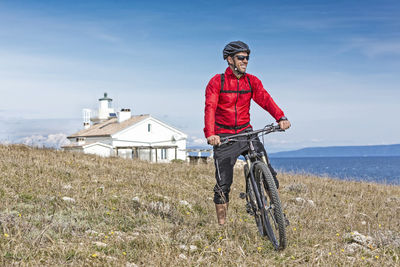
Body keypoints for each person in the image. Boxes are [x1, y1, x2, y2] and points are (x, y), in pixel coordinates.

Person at [203, 41, 291, 225]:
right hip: (224, 136)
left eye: (247, 58)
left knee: (270, 176)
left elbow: (266, 100)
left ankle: (277, 213)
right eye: (241, 58)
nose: (245, 61)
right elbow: (210, 108)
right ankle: (222, 226)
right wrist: (211, 134)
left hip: (246, 132)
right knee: (223, 185)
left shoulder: (252, 81)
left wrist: (280, 117)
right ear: (229, 60)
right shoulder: (216, 81)